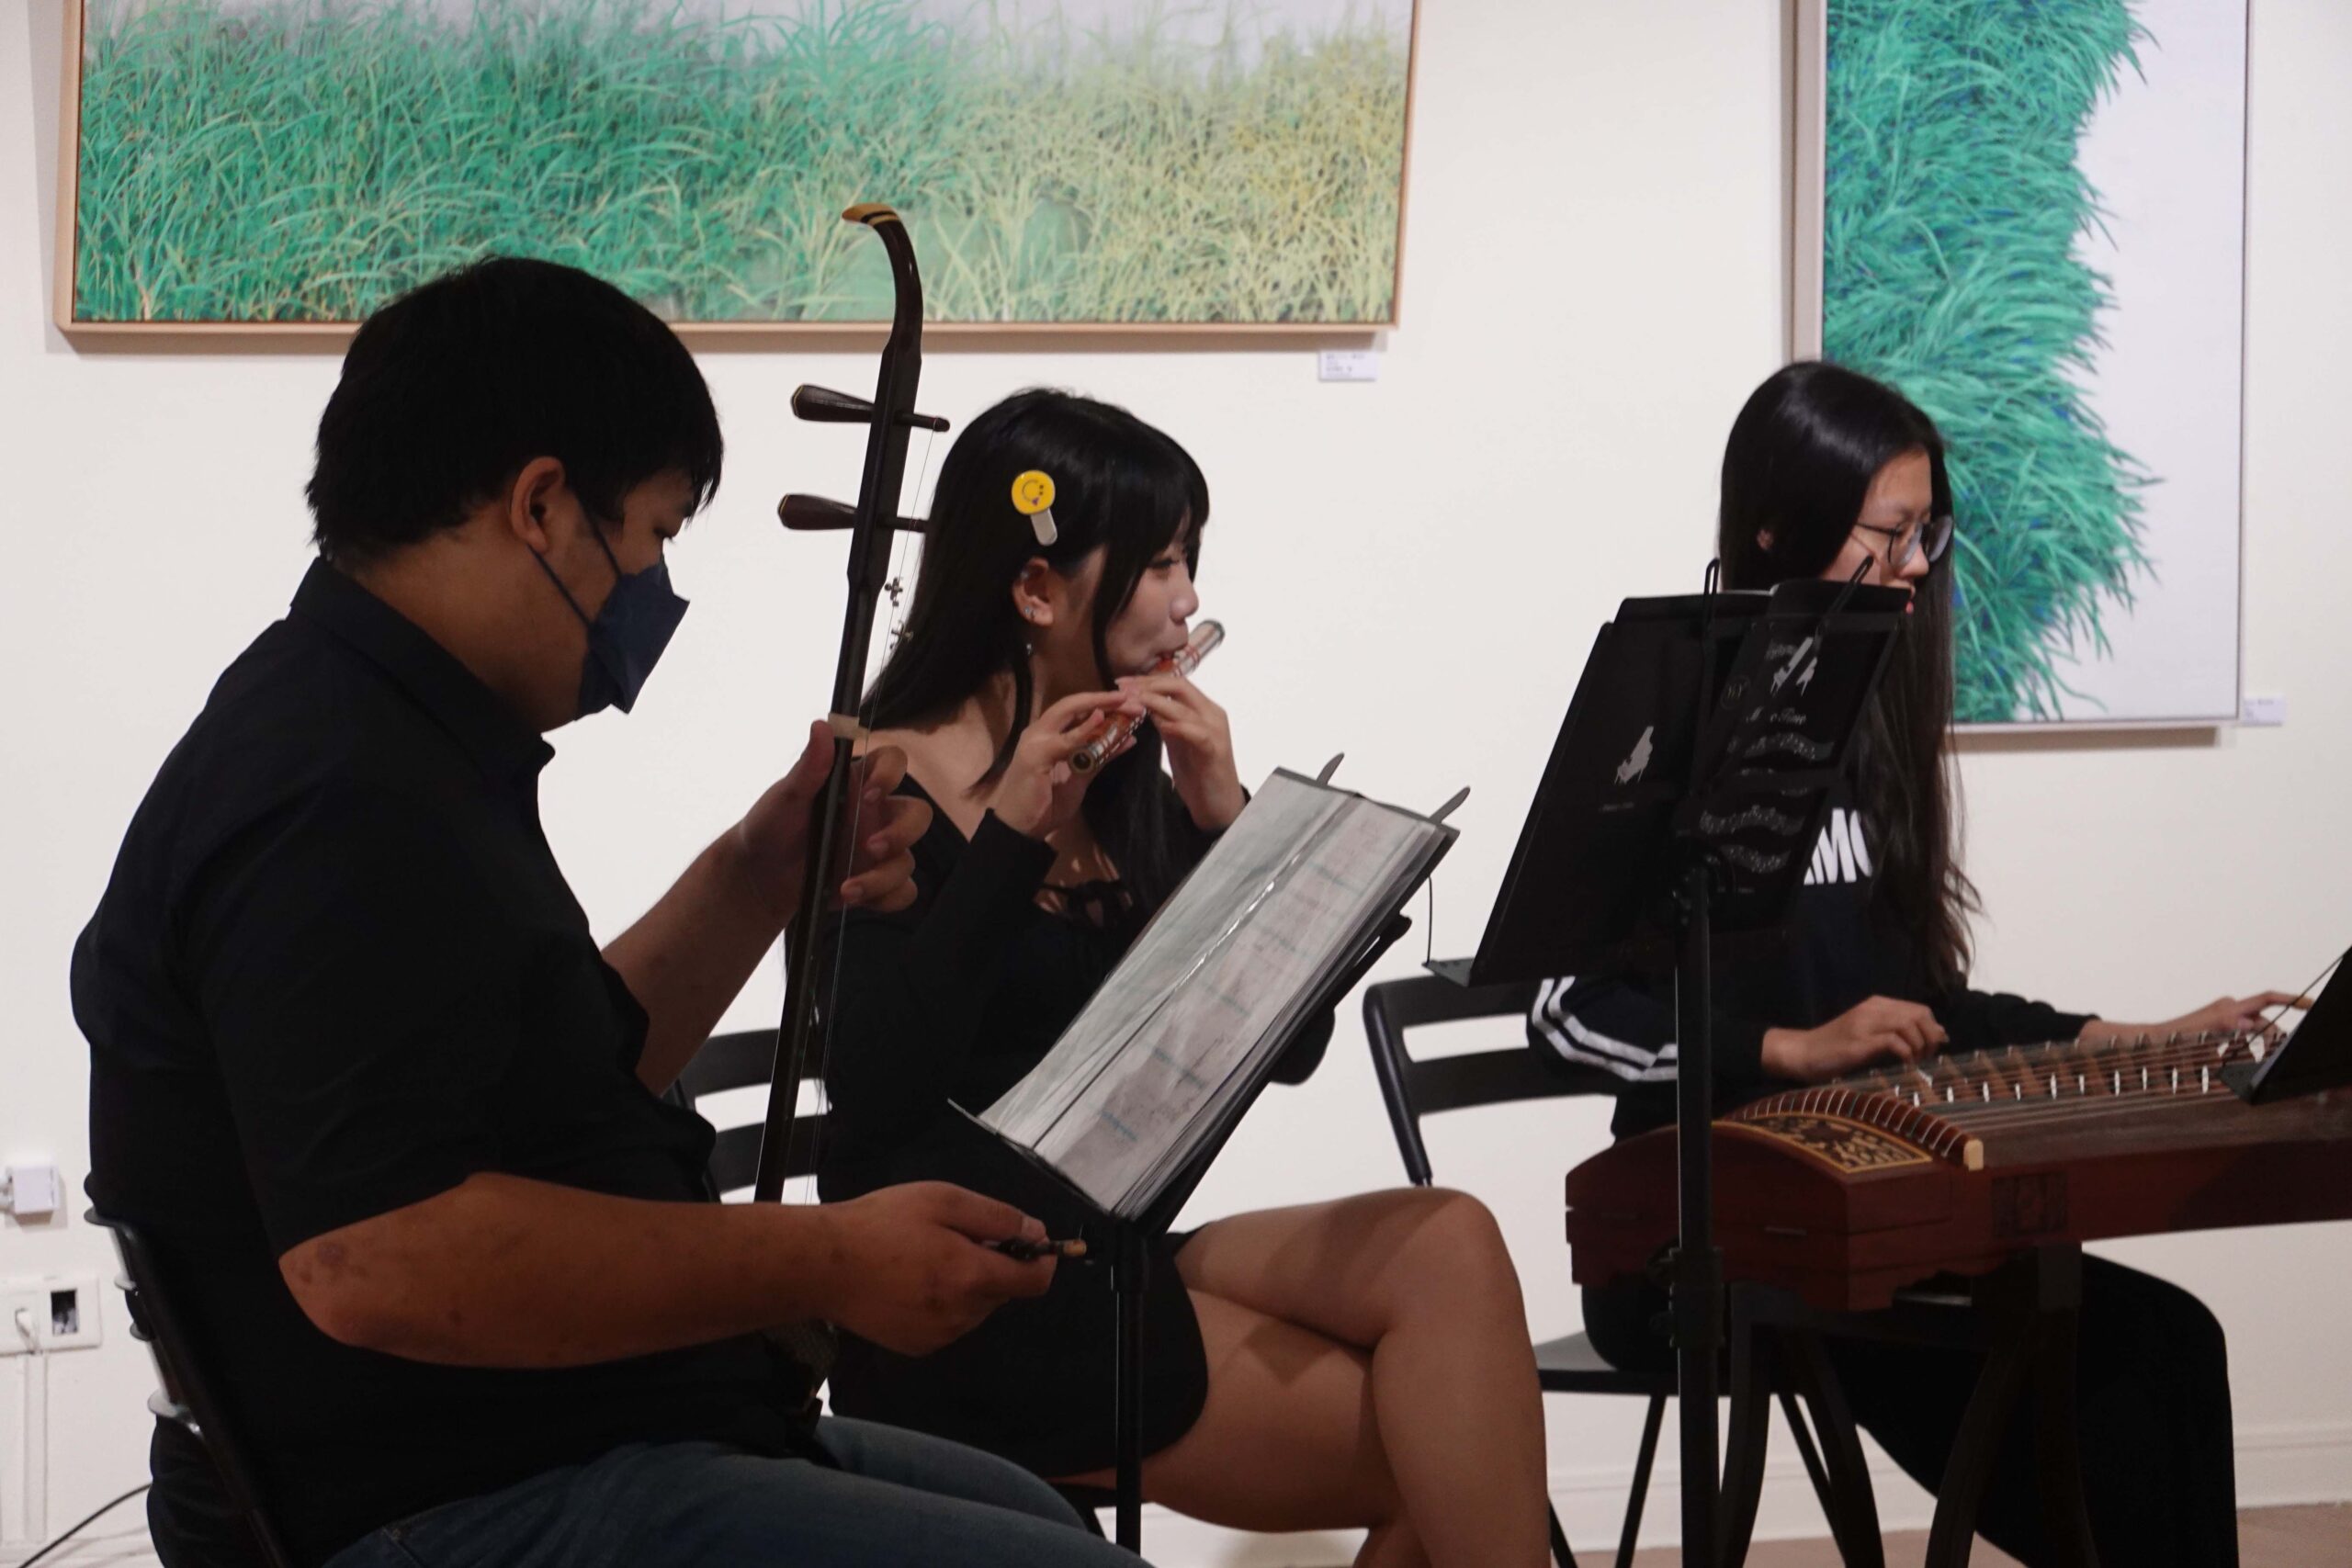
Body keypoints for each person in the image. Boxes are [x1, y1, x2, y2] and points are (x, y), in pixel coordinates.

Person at [74, 259, 1147, 1568]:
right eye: (654, 531)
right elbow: (376, 1255)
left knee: (1042, 1517)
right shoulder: (332, 790)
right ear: (541, 505)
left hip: (566, 1439)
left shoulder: (392, 737)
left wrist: (761, 871)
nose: (654, 582)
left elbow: (559, 1078)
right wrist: (825, 1256)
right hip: (444, 1499)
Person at [1530, 359, 2296, 1567]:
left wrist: (2132, 1038)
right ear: (1776, 525)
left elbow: (1923, 1010)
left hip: (1865, 1204)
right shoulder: (1673, 716)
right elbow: (1563, 1005)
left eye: (1925, 533)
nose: (1914, 565)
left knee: (2167, 1343)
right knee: (2093, 1377)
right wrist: (1787, 1049)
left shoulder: (1866, 725)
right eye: (1885, 535)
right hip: (1704, 1243)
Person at [819, 389, 1552, 1568]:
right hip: (977, 1303)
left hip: (1112, 1256)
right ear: (1035, 589)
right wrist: (1009, 837)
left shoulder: (1124, 786)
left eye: (1188, 561)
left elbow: (1289, 1053)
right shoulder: (878, 785)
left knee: (1447, 1241)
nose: (1188, 601)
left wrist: (1225, 819)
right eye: (1160, 562)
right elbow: (877, 1084)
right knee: (1457, 1448)